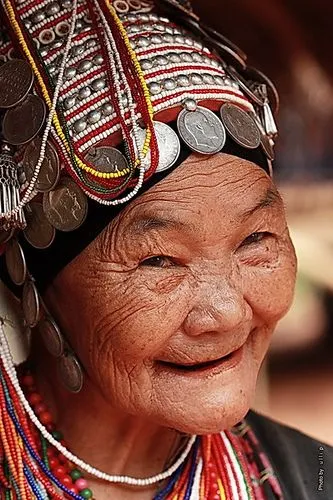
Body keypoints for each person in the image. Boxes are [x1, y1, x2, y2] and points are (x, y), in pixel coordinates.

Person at [0, 0, 331, 499]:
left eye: (255, 240)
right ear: (41, 285)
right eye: (160, 261)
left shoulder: (313, 479)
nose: (223, 314)